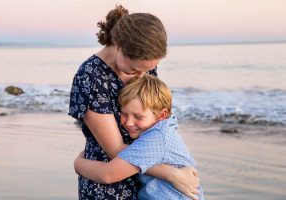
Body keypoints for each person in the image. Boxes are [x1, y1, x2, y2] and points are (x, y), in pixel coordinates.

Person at [69, 4, 199, 200]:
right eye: (133, 69)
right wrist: (172, 174)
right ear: (118, 46)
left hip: (148, 183)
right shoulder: (91, 77)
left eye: (148, 70)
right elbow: (116, 151)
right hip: (110, 182)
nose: (141, 76)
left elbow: (155, 117)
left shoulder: (142, 68)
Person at [74, 74, 204, 200]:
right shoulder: (165, 130)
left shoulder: (156, 138)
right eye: (124, 114)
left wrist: (78, 164)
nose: (129, 122)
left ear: (162, 114)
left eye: (138, 117)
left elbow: (108, 174)